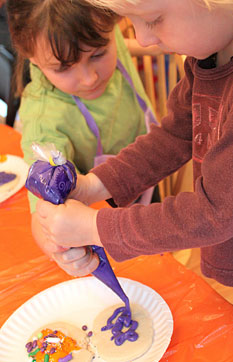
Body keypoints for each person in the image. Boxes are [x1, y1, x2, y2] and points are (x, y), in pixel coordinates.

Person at [29, 0, 233, 286]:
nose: (142, 39)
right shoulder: (209, 55)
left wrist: (95, 227)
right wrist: (93, 186)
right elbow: (173, 137)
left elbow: (215, 213)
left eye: (154, 19)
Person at [7, 0, 161, 258]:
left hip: (146, 172)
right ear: (30, 55)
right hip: (100, 214)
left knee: (157, 250)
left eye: (98, 54)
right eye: (64, 68)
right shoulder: (43, 116)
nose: (90, 78)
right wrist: (59, 251)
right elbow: (40, 213)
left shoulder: (94, 29)